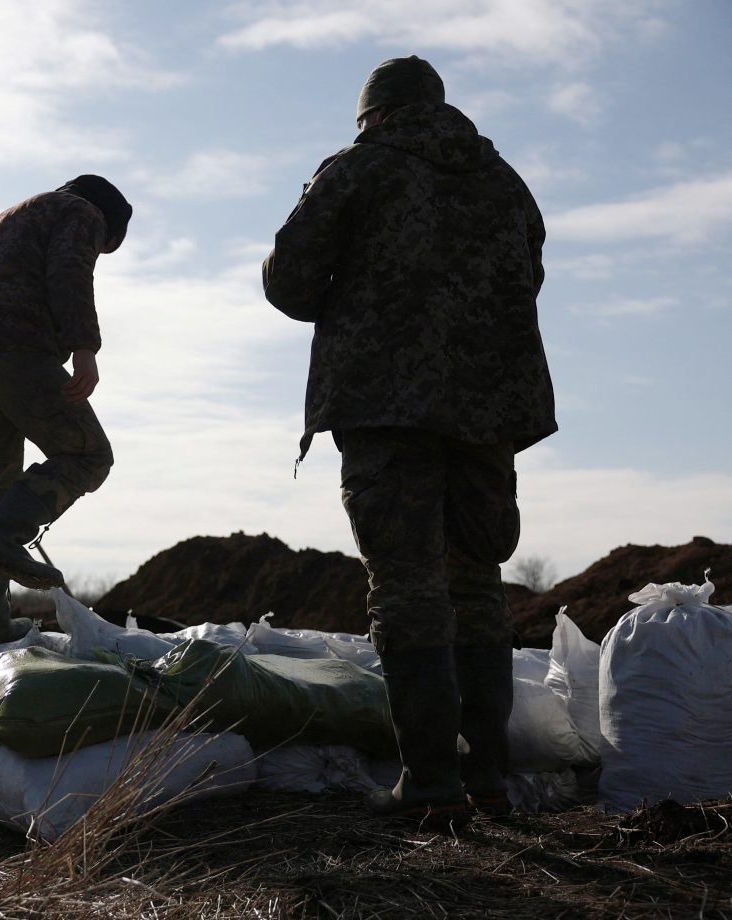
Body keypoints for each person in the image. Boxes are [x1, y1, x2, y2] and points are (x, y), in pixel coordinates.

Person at [262, 56, 556, 828]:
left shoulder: (361, 168)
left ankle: (427, 785)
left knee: (406, 584)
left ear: (376, 115)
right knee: (475, 580)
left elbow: (288, 281)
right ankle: (486, 777)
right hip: (489, 410)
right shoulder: (504, 181)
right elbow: (527, 275)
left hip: (385, 401)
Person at [0, 174, 131, 647]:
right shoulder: (82, 212)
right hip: (16, 347)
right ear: (108, 227)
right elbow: (69, 271)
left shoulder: (5, 219)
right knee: (87, 455)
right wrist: (84, 347)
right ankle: (7, 538)